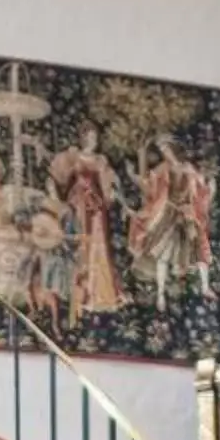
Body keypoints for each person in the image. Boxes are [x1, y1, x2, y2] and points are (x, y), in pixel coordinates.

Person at [44, 124, 128, 321]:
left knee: (98, 248)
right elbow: (58, 177)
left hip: (96, 209)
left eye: (95, 137)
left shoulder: (100, 160)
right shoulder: (73, 157)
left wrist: (113, 193)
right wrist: (55, 192)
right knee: (79, 246)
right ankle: (78, 291)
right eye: (90, 137)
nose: (93, 141)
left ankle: (100, 292)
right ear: (83, 138)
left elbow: (108, 184)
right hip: (77, 207)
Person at [133, 135, 214, 310]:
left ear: (174, 149)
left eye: (166, 150)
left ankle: (205, 287)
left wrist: (208, 187)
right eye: (162, 151)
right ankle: (160, 294)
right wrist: (141, 156)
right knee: (163, 253)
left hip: (187, 214)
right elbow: (147, 183)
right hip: (168, 214)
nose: (165, 154)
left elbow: (201, 189)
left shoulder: (188, 169)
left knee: (197, 248)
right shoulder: (163, 169)